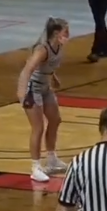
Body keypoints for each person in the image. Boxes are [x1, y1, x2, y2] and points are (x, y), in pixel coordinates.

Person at [18, 18, 70, 182]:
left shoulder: (58, 47)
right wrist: (21, 93)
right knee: (38, 128)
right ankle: (35, 167)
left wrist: (53, 77)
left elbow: (47, 65)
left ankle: (52, 159)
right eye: (65, 32)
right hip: (32, 89)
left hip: (45, 87)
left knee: (55, 120)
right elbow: (27, 70)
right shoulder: (42, 49)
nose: (68, 35)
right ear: (56, 33)